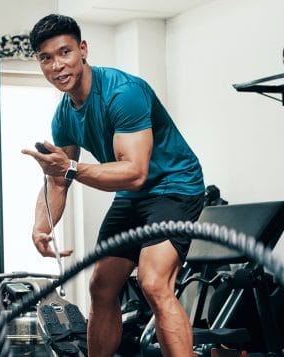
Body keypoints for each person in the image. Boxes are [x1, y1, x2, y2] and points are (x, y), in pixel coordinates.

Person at [22, 14, 205, 356]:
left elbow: (134, 171)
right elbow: (57, 180)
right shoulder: (63, 116)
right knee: (101, 286)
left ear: (83, 50)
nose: (57, 65)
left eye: (65, 52)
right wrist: (42, 227)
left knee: (153, 282)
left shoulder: (124, 93)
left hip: (174, 186)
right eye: (46, 58)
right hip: (133, 196)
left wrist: (72, 167)